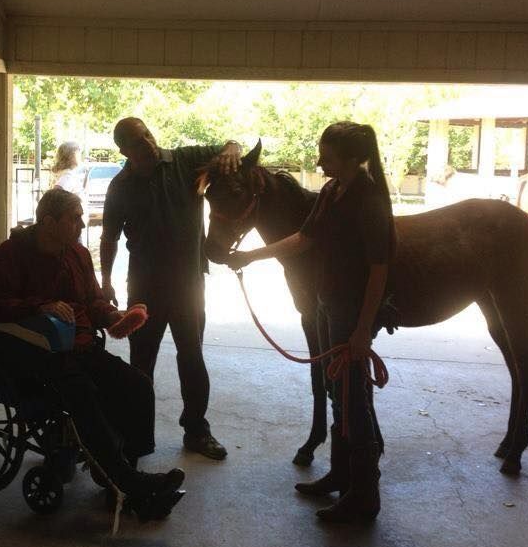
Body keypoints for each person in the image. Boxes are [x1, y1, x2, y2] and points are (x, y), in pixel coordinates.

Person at [0, 187, 184, 520]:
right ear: (48, 222)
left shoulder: (77, 253)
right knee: (82, 392)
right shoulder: (12, 253)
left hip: (78, 345)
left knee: (137, 384)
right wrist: (40, 306)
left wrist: (112, 315)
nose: (82, 225)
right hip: (31, 353)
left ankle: (123, 471)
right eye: (74, 218)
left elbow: (93, 301)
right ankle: (127, 481)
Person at [227, 121, 394, 523]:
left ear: (353, 159)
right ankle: (340, 474)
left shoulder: (369, 200)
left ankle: (364, 495)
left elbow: (379, 269)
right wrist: (251, 256)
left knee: (355, 401)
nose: (320, 161)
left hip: (350, 311)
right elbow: (304, 238)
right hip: (326, 304)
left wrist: (361, 329)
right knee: (338, 391)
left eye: (328, 156)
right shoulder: (333, 192)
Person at [100, 117, 241, 461]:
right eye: (136, 140)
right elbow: (109, 238)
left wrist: (232, 151)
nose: (147, 141)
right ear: (123, 150)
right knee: (140, 365)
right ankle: (135, 436)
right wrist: (104, 281)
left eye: (147, 133)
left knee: (192, 358)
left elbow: (230, 144)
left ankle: (196, 430)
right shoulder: (120, 187)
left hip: (189, 284)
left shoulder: (186, 161)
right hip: (144, 289)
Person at [50, 141, 89, 243]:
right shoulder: (68, 176)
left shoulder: (64, 174)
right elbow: (56, 193)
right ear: (71, 155)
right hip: (73, 228)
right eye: (78, 152)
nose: (80, 155)